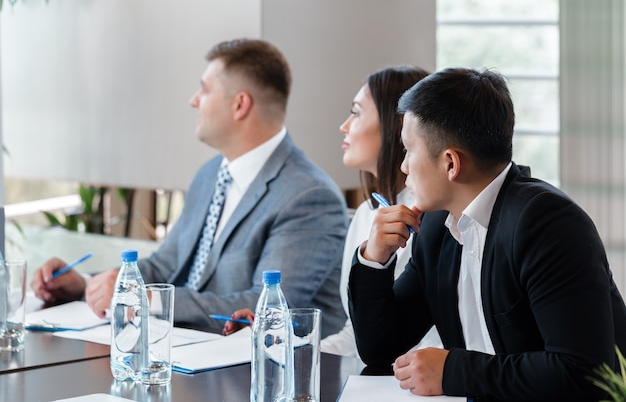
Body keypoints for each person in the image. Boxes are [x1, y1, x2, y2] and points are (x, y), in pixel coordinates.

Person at [30, 38, 349, 337]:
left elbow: (266, 308)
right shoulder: (211, 174)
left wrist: (143, 299)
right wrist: (89, 284)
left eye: (204, 89)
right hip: (184, 356)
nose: (193, 100)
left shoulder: (309, 196)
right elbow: (164, 266)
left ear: (240, 105)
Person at [348, 67, 626, 401]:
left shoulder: (547, 224)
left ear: (451, 163)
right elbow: (380, 349)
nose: (403, 166)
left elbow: (583, 372)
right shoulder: (437, 227)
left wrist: (453, 372)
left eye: (409, 149)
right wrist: (372, 259)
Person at [224, 66, 442, 357]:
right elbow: (357, 336)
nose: (344, 126)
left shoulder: (435, 216)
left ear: (401, 124)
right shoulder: (366, 215)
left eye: (356, 112)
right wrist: (276, 349)